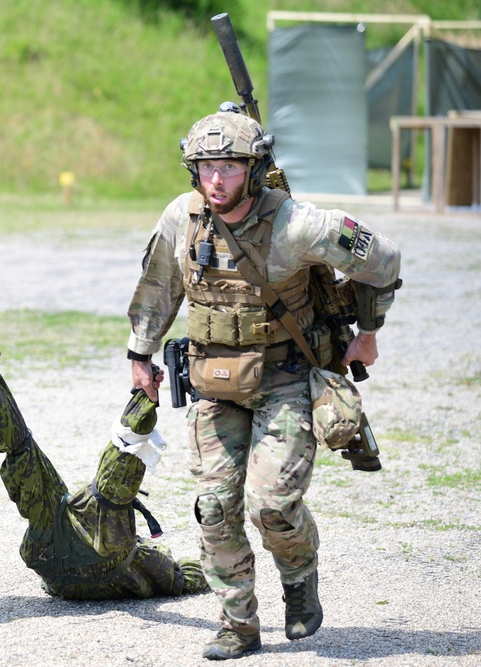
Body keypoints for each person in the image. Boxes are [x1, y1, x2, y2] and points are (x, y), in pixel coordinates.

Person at [125, 107, 401, 660]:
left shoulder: (297, 224)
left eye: (229, 166)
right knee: (214, 508)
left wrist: (368, 334)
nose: (216, 180)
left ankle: (299, 576)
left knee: (271, 504)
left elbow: (382, 258)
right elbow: (158, 288)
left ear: (253, 169)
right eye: (205, 168)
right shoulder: (184, 217)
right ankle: (238, 624)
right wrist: (140, 354)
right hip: (213, 382)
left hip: (286, 380)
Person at [0, 364, 210, 600]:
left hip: (57, 561)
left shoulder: (144, 562)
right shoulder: (154, 568)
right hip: (73, 569)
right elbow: (189, 576)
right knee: (98, 498)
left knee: (30, 462)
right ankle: (138, 416)